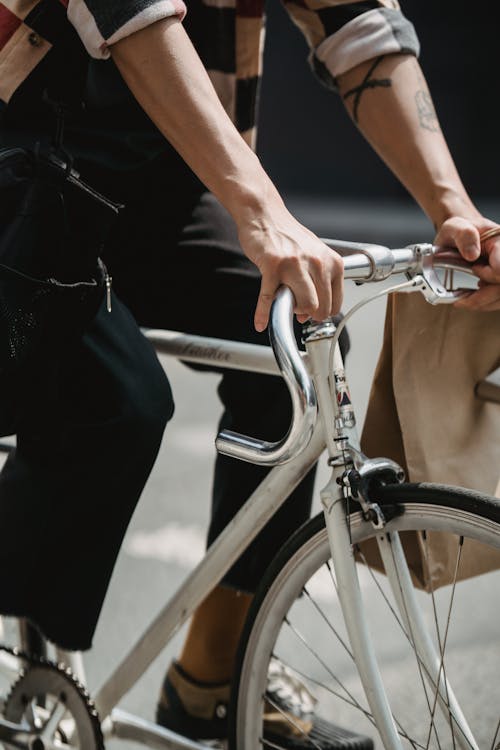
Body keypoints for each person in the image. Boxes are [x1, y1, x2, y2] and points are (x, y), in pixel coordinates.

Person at [0, 0, 499, 747]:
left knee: (292, 346)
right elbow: (131, 16)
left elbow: (358, 28)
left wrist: (454, 212)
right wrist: (261, 210)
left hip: (159, 177)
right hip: (22, 160)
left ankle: (214, 681)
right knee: (115, 402)